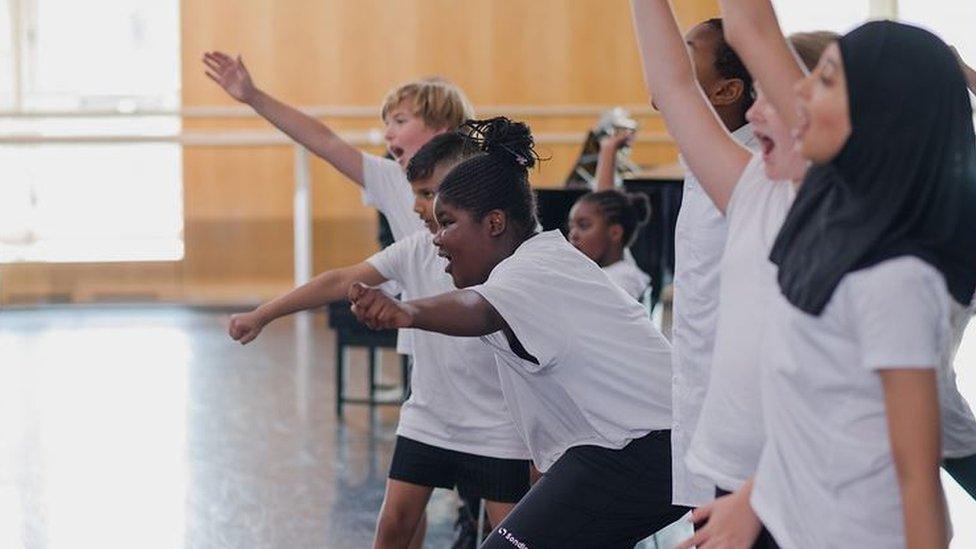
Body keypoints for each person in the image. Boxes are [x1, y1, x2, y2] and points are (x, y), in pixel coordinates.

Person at [681, 18, 976, 549]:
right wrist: (753, 502)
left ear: (877, 114)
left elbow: (917, 481)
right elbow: (814, 415)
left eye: (825, 80)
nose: (799, 94)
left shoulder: (897, 279)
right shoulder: (833, 238)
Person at [348, 117, 689, 547]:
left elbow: (479, 311)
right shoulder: (539, 261)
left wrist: (407, 312)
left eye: (447, 223)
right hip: (629, 447)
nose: (436, 239)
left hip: (648, 448)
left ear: (493, 223)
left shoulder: (529, 272)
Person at [228, 128, 531, 549]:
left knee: (511, 539)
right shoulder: (415, 249)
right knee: (393, 528)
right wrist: (263, 314)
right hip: (430, 418)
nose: (418, 206)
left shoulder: (516, 260)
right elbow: (339, 279)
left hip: (499, 428)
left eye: (428, 193)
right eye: (418, 194)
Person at [568, 189, 652, 300]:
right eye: (571, 227)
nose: (573, 234)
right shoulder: (617, 264)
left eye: (583, 225)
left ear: (615, 233)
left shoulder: (622, 280)